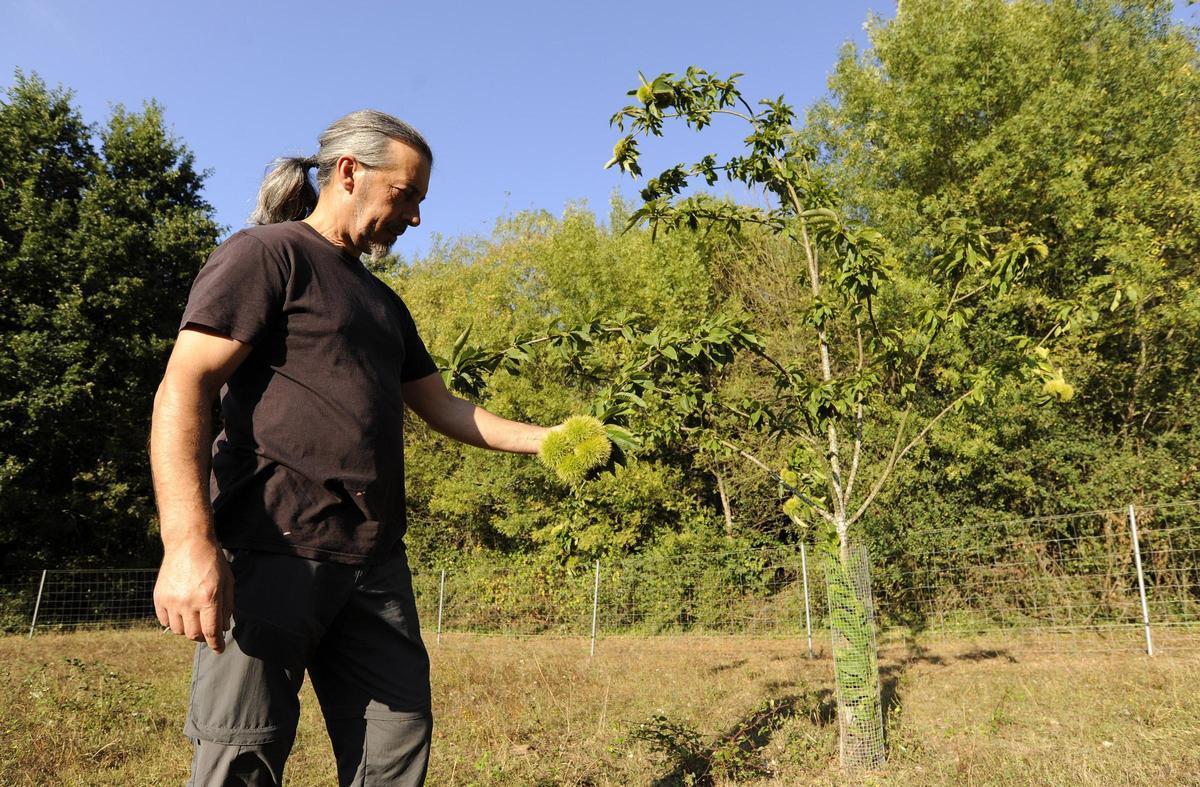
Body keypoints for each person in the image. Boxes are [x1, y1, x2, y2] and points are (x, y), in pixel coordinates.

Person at [149, 110, 551, 786]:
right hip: (273, 547)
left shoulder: (384, 303)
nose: (416, 217)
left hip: (374, 563)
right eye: (407, 194)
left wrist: (552, 441)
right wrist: (188, 542)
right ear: (349, 173)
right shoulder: (268, 254)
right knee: (239, 759)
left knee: (395, 752)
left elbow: (445, 406)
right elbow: (182, 387)